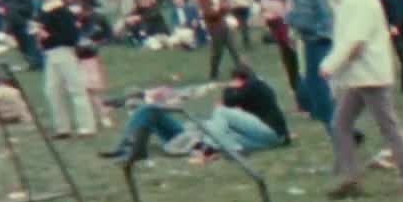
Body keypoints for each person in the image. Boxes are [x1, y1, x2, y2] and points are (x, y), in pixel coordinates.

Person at [318, 0, 403, 198]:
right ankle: (351, 179)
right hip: (361, 75)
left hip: (371, 75)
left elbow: (356, 40)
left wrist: (330, 65)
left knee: (388, 127)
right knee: (340, 124)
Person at [100, 65, 291, 163]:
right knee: (148, 110)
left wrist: (228, 91)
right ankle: (127, 145)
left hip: (204, 138)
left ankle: (209, 148)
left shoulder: (255, 86)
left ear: (239, 80)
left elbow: (227, 102)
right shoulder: (253, 98)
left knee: (220, 113)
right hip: (198, 133)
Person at [32, 0, 96, 139]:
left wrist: (48, 36)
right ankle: (62, 127)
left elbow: (70, 36)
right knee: (52, 90)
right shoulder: (44, 9)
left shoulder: (60, 9)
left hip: (63, 51)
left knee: (76, 88)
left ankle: (86, 126)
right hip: (51, 53)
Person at [281, 0, 336, 125]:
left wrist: (285, 15)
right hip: (323, 38)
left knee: (320, 97)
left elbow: (305, 20)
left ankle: (343, 133)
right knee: (319, 92)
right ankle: (345, 130)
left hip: (315, 41)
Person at [195, 0, 245, 81]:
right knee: (217, 52)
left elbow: (226, 3)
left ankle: (243, 71)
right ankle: (213, 73)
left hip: (223, 23)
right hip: (213, 25)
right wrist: (220, 9)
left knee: (233, 48)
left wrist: (220, 8)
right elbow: (207, 12)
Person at [0, 0, 46, 72]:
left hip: (24, 22)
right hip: (13, 24)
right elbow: (5, 8)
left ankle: (39, 63)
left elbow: (29, 7)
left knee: (31, 44)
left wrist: (14, 8)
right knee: (22, 46)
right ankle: (31, 63)